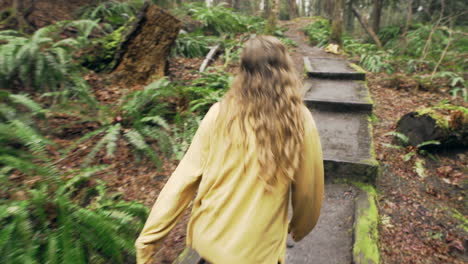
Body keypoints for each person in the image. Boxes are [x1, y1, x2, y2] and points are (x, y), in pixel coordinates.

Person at [135, 35, 324, 264]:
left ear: (243, 71)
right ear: (285, 69)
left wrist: (148, 241)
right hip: (258, 251)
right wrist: (300, 227)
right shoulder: (299, 121)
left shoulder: (218, 113)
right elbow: (308, 192)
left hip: (212, 244)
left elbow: (181, 181)